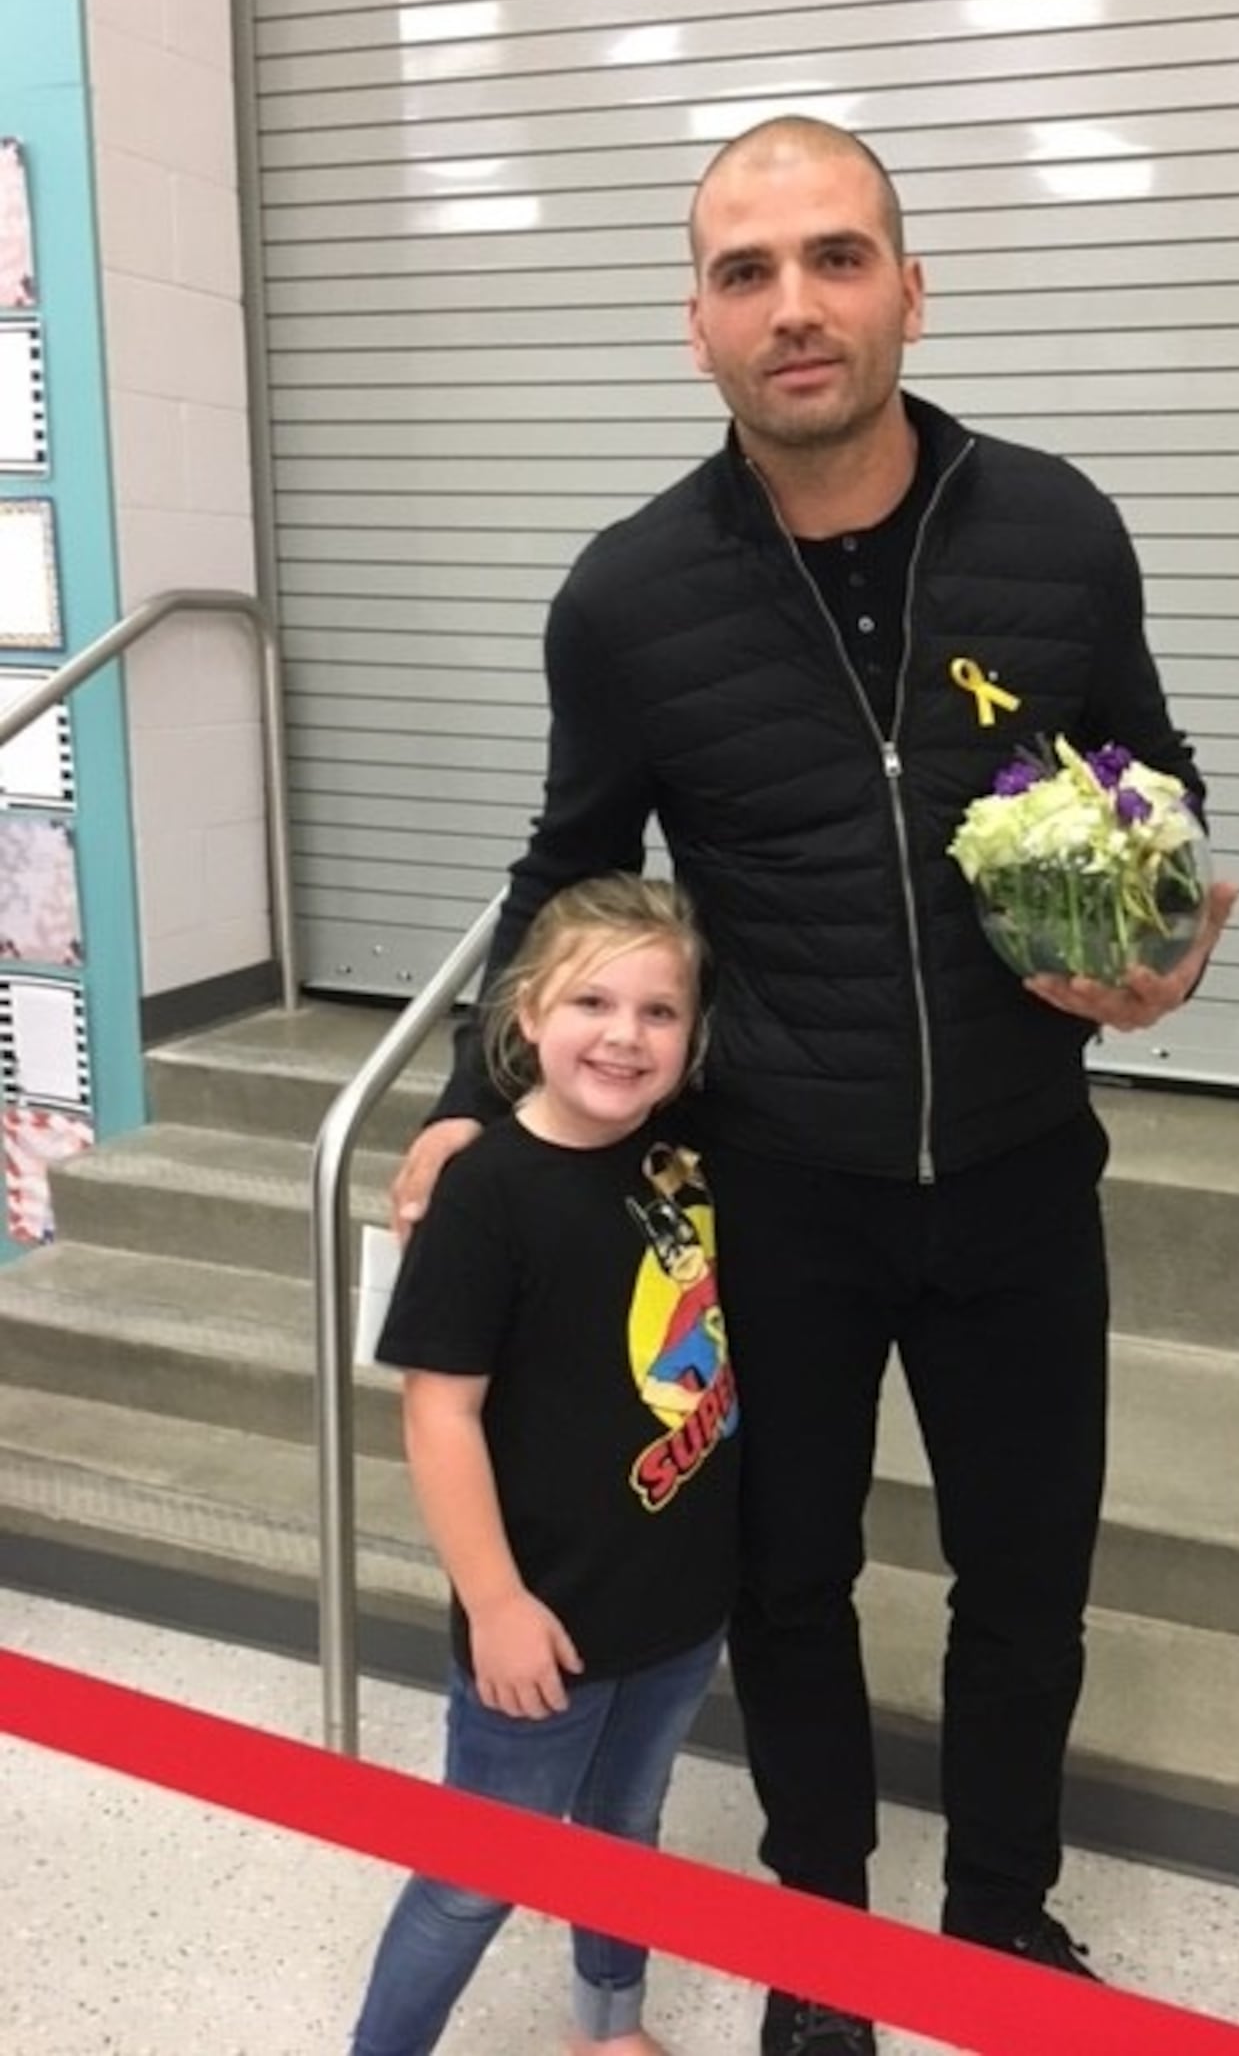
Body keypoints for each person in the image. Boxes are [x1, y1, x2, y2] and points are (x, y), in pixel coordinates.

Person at [391, 117, 1237, 2056]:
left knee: (1025, 1571)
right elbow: (568, 860)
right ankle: (822, 1941)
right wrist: (467, 1084)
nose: (794, 305)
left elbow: (1148, 768)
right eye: (745, 271)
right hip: (765, 1185)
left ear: (905, 290)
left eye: (834, 258)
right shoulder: (625, 600)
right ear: (693, 324)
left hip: (1021, 1166)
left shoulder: (1052, 526)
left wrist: (1169, 931)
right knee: (786, 1581)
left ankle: (999, 1915)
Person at [352, 874, 738, 2056]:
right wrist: (496, 1603)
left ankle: (608, 2027)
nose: (623, 1036)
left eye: (658, 1013)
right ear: (524, 1018)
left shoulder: (683, 1159)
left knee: (625, 1830)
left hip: (675, 1603)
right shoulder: (485, 1195)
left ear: (693, 1036)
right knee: (475, 1878)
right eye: (591, 1002)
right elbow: (439, 1419)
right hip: (539, 1624)